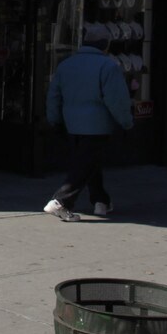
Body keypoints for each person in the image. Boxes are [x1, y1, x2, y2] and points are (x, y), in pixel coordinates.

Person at [43, 24, 134, 222]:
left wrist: (54, 119)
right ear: (106, 46)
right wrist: (126, 122)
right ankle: (60, 201)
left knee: (88, 162)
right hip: (97, 125)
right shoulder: (108, 66)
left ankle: (100, 201)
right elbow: (117, 100)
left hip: (71, 124)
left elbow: (54, 96)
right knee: (84, 166)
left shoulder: (66, 64)